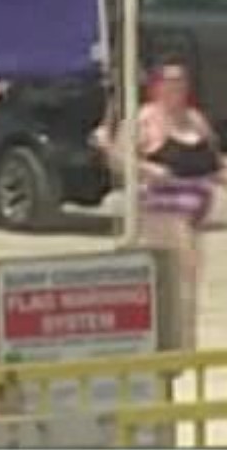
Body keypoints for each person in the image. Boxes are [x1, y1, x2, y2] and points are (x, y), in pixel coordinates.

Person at [100, 62, 220, 340]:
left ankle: (187, 340)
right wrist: (147, 169)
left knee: (191, 284)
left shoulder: (196, 120)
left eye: (181, 80)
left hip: (200, 209)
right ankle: (171, 342)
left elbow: (213, 162)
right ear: (156, 86)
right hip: (162, 210)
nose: (176, 87)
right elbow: (117, 158)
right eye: (170, 81)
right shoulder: (143, 120)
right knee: (173, 281)